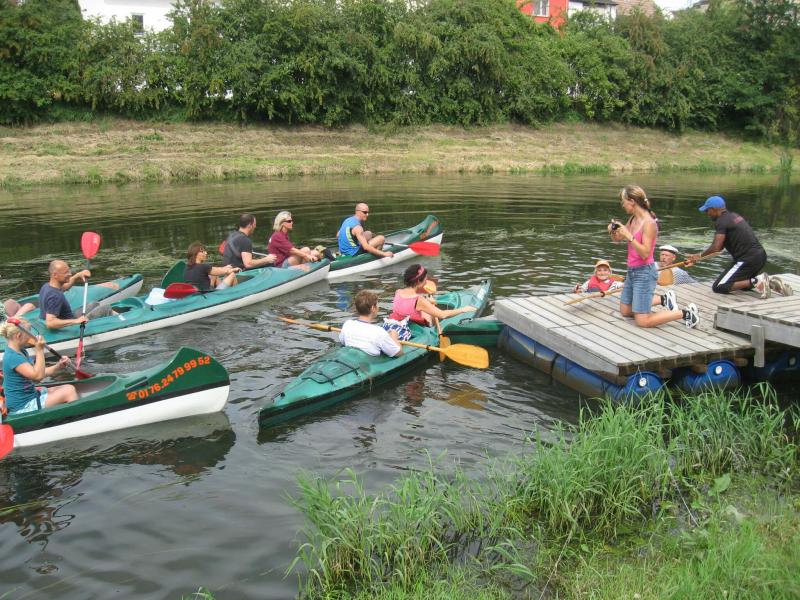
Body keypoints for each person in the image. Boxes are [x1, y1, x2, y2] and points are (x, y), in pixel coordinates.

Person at [609, 185, 699, 329]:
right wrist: (613, 231)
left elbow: (645, 253)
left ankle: (687, 313)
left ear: (632, 201)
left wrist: (628, 236)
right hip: (632, 271)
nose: (622, 205)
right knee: (625, 311)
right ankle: (664, 299)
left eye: (623, 201)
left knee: (642, 321)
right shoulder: (633, 219)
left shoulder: (649, 223)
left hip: (644, 272)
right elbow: (618, 239)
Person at [687, 195, 792, 298]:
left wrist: (698, 256)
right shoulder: (734, 216)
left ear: (714, 209)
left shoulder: (721, 221)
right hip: (760, 256)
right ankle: (771, 283)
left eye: (707, 210)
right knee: (742, 285)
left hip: (747, 259)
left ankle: (757, 280)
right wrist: (698, 258)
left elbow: (716, 247)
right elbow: (720, 248)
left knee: (719, 286)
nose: (707, 213)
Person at [0, 318, 78, 415]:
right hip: (22, 406)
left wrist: (58, 366)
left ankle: (67, 414)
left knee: (67, 387)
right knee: (69, 391)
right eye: (29, 333)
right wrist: (39, 350)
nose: (31, 336)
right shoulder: (13, 357)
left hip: (31, 395)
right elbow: (38, 377)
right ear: (19, 335)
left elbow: (38, 372)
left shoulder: (21, 351)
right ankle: (74, 418)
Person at [389, 264, 476, 327]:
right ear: (418, 281)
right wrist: (463, 309)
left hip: (400, 323)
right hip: (413, 327)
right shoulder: (419, 300)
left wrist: (427, 302)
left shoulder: (398, 292)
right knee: (429, 313)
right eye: (425, 279)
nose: (426, 281)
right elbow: (442, 315)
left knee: (425, 307)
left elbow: (408, 306)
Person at [39, 260, 113, 330]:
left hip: (68, 317)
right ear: (55, 275)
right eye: (66, 272)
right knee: (107, 308)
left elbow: (64, 287)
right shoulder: (55, 296)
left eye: (69, 271)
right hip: (70, 326)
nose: (70, 274)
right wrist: (76, 321)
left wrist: (77, 275)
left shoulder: (47, 286)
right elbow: (50, 323)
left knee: (95, 303)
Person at [339, 290, 403, 358]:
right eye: (377, 305)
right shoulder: (379, 332)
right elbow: (398, 353)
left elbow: (343, 342)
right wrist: (394, 337)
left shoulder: (347, 324)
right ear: (372, 308)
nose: (378, 307)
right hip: (368, 362)